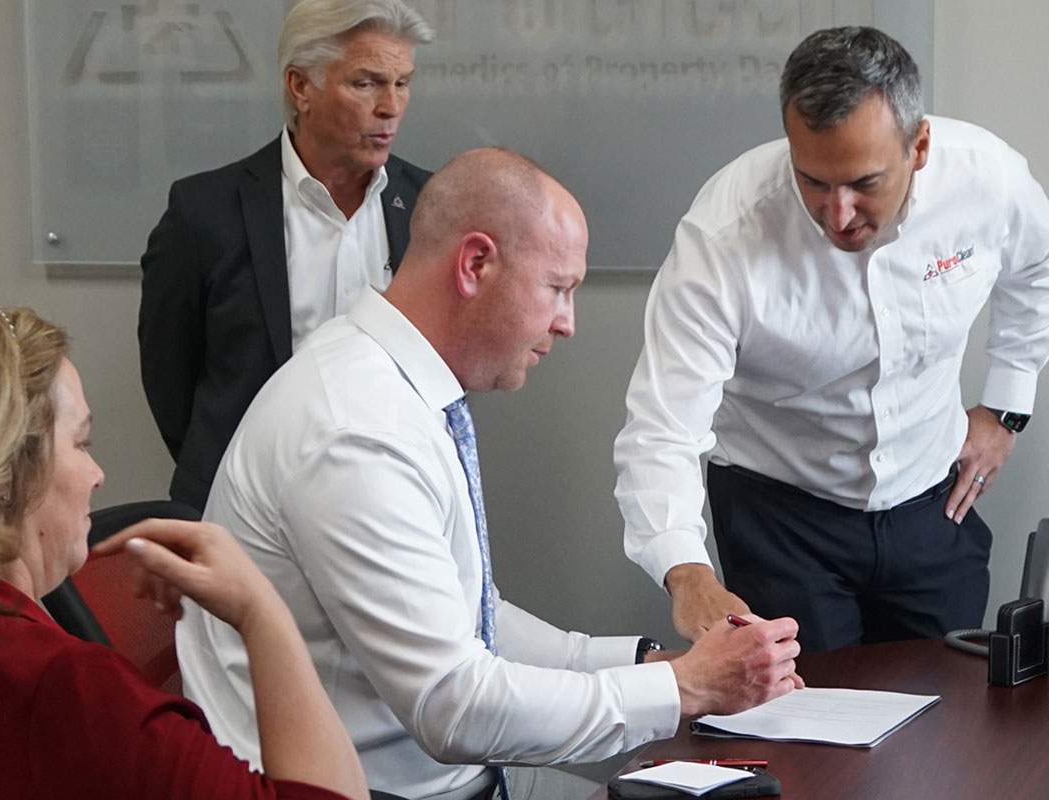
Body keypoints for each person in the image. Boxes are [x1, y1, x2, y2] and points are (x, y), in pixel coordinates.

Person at [177, 149, 803, 800]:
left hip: (445, 775)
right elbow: (454, 707)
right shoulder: (358, 431)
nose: (568, 323)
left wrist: (646, 664)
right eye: (558, 288)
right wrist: (684, 688)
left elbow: (467, 614)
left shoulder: (392, 383)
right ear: (476, 264)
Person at [614, 27, 1049, 653]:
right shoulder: (726, 231)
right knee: (806, 730)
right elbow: (661, 428)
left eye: (863, 183)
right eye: (813, 181)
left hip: (932, 498)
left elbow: (1035, 270)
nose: (837, 213)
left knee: (947, 720)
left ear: (919, 146)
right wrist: (686, 571)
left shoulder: (986, 179)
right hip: (781, 517)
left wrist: (1006, 408)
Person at [0, 290, 368, 800]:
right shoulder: (61, 690)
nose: (98, 474)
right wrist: (262, 613)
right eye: (80, 443)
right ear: (4, 475)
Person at [139, 0, 434, 512]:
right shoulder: (205, 212)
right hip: (243, 508)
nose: (390, 106)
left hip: (394, 506)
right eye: (365, 83)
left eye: (402, 83)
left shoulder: (431, 207)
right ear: (301, 87)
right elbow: (170, 376)